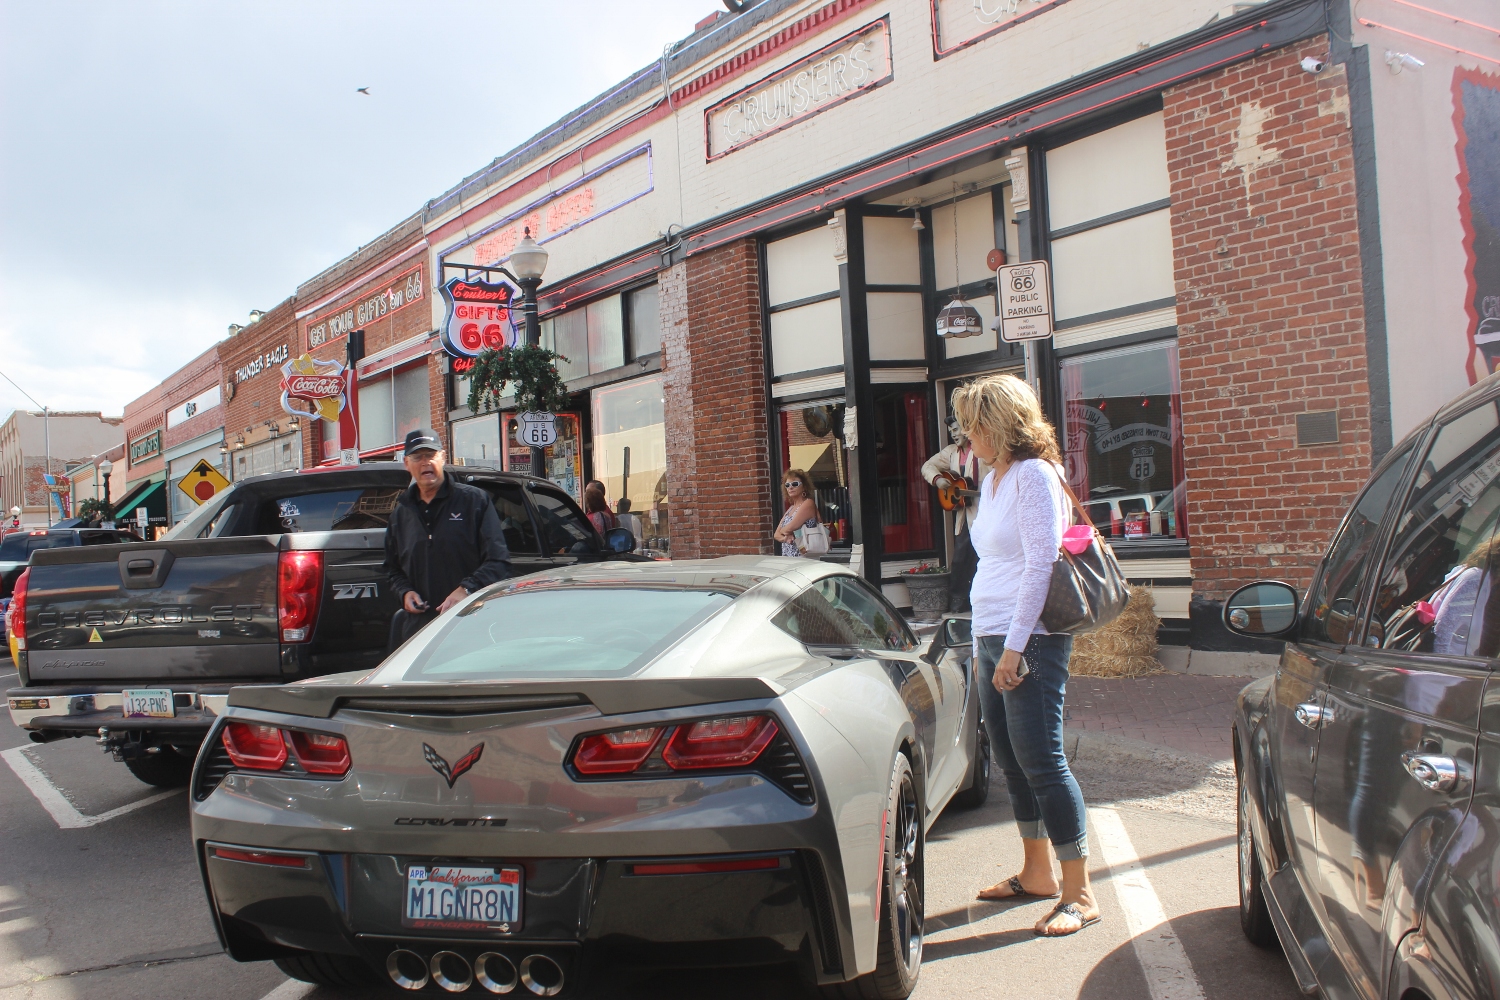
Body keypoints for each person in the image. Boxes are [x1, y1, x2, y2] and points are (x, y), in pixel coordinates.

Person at [952, 373, 1099, 937]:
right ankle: (1036, 874)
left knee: (1042, 760)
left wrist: (1014, 647)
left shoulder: (1035, 476)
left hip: (1029, 638)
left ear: (999, 424)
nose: (968, 440)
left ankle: (1079, 892)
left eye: (973, 427)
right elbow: (993, 562)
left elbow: (1041, 564)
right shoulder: (994, 480)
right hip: (991, 634)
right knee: (1011, 761)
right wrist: (985, 643)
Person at [384, 429, 511, 652]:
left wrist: (466, 590)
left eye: (431, 455)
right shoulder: (400, 513)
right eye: (418, 457)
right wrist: (405, 592)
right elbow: (392, 569)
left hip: (470, 626)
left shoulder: (473, 501)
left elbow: (498, 560)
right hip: (419, 634)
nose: (425, 463)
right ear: (406, 463)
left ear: (443, 457)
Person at [922, 414, 992, 612]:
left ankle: (982, 601)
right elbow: (927, 466)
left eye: (956, 429)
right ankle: (958, 600)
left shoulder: (981, 449)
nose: (953, 434)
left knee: (984, 557)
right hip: (964, 514)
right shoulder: (951, 452)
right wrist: (938, 480)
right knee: (961, 558)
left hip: (984, 512)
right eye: (950, 431)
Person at [773, 469, 819, 557]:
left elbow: (788, 528)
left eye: (795, 484)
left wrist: (783, 531)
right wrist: (786, 538)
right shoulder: (790, 509)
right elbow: (776, 534)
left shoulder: (808, 503)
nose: (790, 487)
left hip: (804, 557)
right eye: (787, 485)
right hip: (789, 557)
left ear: (804, 487)